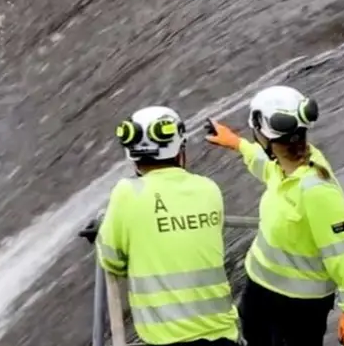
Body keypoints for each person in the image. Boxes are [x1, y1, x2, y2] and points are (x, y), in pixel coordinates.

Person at [205, 85, 344, 346]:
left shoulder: (316, 191)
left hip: (298, 307)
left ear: (265, 135)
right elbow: (267, 167)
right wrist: (238, 145)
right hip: (259, 290)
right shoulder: (288, 167)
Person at [79, 106, 240, 346]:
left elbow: (113, 260)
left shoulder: (127, 194)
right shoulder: (209, 189)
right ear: (179, 149)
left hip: (168, 340)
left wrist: (102, 235)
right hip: (223, 336)